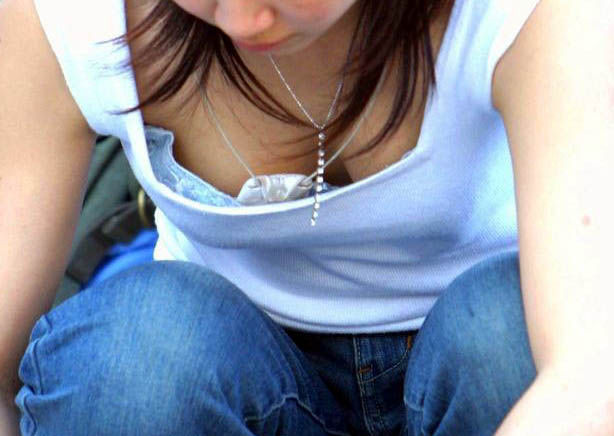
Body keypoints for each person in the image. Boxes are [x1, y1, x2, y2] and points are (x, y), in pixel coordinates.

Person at [0, 0, 612, 434]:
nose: (246, 19)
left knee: (502, 338)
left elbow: (591, 374)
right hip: (225, 366)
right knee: (132, 359)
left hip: (494, 371)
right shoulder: (73, 15)